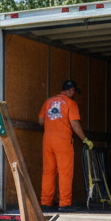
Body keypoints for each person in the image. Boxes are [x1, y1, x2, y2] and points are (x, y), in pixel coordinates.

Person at [38, 79, 92, 212]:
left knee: (48, 172)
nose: (74, 94)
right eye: (74, 92)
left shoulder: (48, 102)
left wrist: (53, 124)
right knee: (64, 172)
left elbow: (40, 121)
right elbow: (74, 124)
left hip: (47, 140)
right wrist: (85, 139)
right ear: (72, 90)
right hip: (62, 141)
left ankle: (45, 202)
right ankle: (65, 203)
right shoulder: (70, 103)